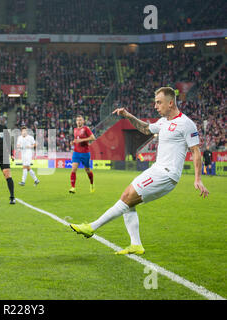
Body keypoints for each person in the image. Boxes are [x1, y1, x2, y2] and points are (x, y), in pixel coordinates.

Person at [70, 87, 209, 255]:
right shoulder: (163, 122)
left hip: (166, 174)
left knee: (126, 197)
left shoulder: (186, 124)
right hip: (157, 169)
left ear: (170, 103)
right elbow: (145, 129)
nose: (156, 106)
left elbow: (195, 151)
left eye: (159, 102)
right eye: (155, 102)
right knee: (128, 202)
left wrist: (198, 179)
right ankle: (135, 245)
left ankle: (92, 227)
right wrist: (128, 115)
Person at [69, 115, 96, 194]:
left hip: (85, 153)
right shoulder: (75, 130)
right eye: (77, 120)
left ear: (83, 121)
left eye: (80, 120)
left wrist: (82, 140)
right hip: (76, 152)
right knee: (73, 169)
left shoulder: (86, 129)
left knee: (87, 170)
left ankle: (91, 183)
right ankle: (73, 187)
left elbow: (93, 138)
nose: (79, 121)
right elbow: (76, 140)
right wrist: (73, 142)